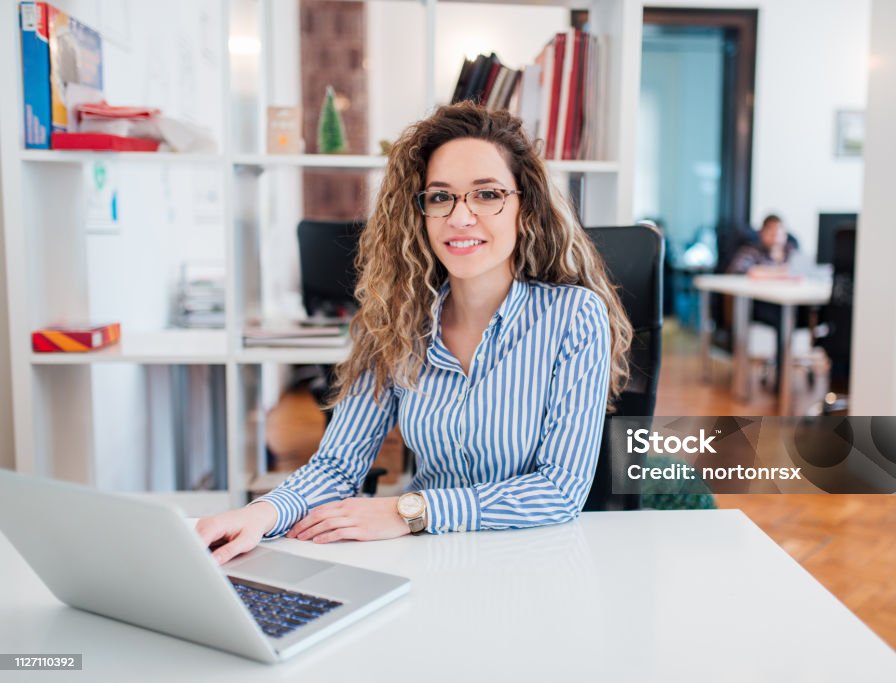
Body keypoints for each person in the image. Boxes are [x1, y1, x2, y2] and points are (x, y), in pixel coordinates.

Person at [197, 102, 633, 564]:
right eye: (441, 197)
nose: (460, 218)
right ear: (420, 213)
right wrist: (261, 514)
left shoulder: (573, 317)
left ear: (524, 208)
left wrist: (412, 510)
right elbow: (338, 464)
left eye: (487, 195)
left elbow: (559, 490)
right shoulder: (397, 322)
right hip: (425, 558)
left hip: (532, 559)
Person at [726, 214, 808, 393]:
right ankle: (781, 379)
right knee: (783, 321)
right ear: (762, 233)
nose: (776, 236)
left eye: (780, 232)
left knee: (814, 316)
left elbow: (804, 273)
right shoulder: (751, 251)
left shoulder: (792, 252)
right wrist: (777, 272)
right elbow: (740, 270)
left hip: (791, 304)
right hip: (762, 306)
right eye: (771, 231)